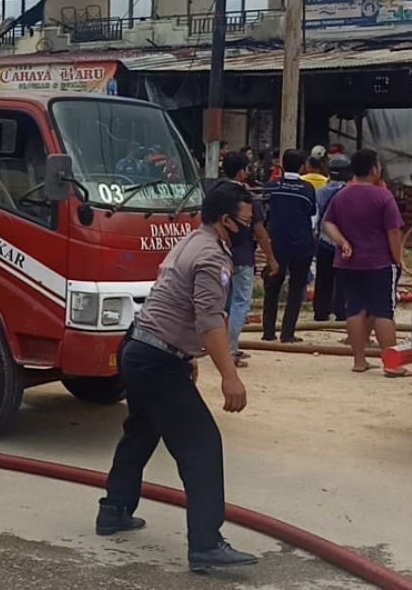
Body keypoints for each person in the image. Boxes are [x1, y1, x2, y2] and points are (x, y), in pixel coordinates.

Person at [96, 182, 258, 575]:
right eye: (246, 222)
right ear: (226, 221)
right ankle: (206, 546)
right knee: (201, 443)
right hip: (155, 360)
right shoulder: (211, 258)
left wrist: (185, 355)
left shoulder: (193, 240)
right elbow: (209, 321)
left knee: (142, 431)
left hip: (140, 349)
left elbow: (174, 300)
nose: (250, 229)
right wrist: (230, 376)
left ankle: (114, 511)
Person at [322, 149, 411, 378]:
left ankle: (359, 361)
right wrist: (397, 258)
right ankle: (391, 364)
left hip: (347, 263)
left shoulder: (341, 195)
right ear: (374, 169)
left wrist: (343, 243)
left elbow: (328, 223)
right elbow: (393, 231)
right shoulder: (383, 197)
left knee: (355, 309)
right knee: (383, 311)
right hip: (378, 262)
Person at [219, 152, 278, 366]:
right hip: (242, 257)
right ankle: (230, 350)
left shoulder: (215, 193)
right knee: (240, 302)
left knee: (222, 303)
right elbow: (260, 231)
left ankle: (220, 346)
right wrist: (271, 258)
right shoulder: (247, 197)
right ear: (242, 171)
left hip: (219, 255)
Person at [261, 149, 316, 343]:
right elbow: (311, 212)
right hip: (301, 244)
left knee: (272, 287)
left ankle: (268, 331)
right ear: (302, 166)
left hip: (277, 244)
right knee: (296, 288)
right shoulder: (307, 189)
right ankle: (287, 333)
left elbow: (265, 212)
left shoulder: (272, 187)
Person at [313, 153, 352, 322]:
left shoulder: (321, 191)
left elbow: (315, 215)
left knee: (323, 279)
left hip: (323, 241)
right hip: (344, 242)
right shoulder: (349, 192)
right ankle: (341, 312)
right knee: (343, 279)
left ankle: (321, 312)